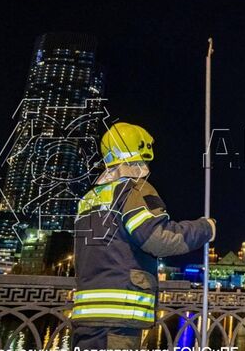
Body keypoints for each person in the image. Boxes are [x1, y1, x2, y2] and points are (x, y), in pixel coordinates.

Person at [72, 122, 216, 348]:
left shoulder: (88, 199)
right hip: (119, 316)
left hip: (86, 315)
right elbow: (159, 239)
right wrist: (205, 228)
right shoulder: (133, 190)